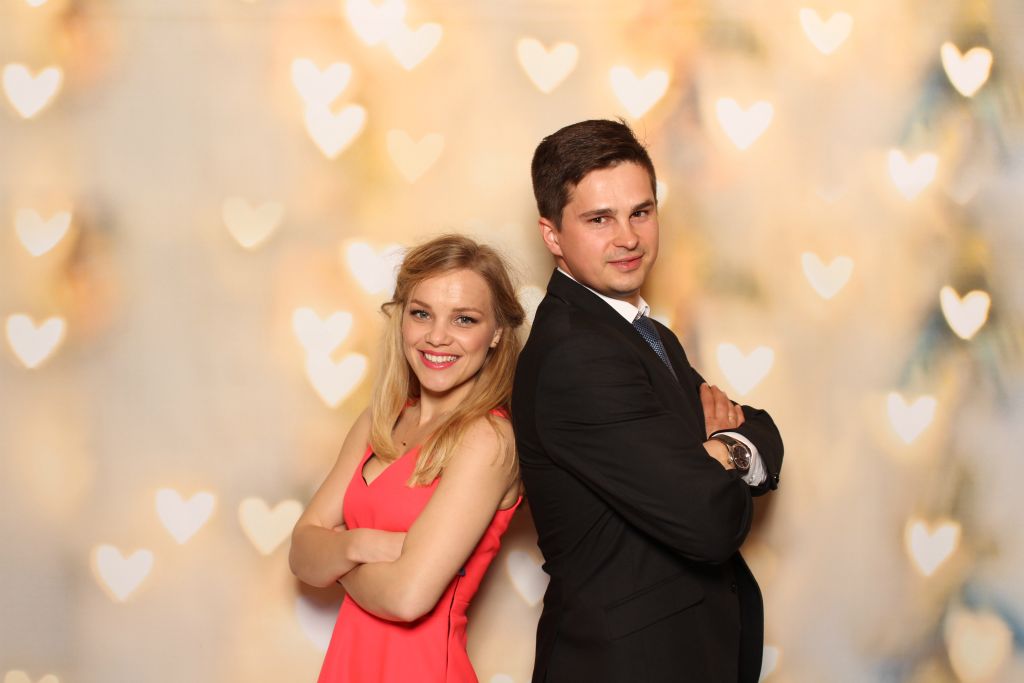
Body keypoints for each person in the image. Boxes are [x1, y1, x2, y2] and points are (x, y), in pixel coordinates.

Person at [512, 119, 784, 683]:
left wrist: (721, 450)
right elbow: (709, 521)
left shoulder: (640, 333)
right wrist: (716, 456)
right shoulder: (577, 355)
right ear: (552, 235)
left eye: (641, 212)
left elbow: (761, 429)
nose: (628, 238)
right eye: (599, 219)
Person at [290, 234, 526, 683]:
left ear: (496, 332)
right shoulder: (378, 421)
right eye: (421, 313)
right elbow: (301, 554)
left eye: (464, 319)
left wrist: (335, 557)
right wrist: (363, 545)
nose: (437, 336)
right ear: (401, 319)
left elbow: (408, 597)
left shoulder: (489, 438)